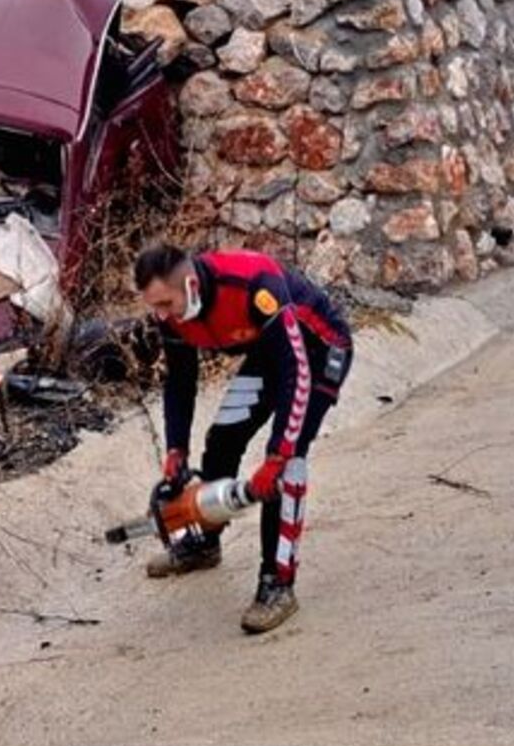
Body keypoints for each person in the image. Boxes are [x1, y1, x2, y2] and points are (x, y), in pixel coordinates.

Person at [133, 243, 353, 634]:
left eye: (166, 303)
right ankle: (205, 542)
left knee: (289, 462)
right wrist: (175, 449)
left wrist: (278, 455)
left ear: (189, 283)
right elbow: (180, 382)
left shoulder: (254, 285)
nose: (161, 315)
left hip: (319, 352)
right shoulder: (172, 315)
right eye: (155, 307)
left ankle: (278, 584)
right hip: (272, 353)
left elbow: (297, 373)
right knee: (222, 441)